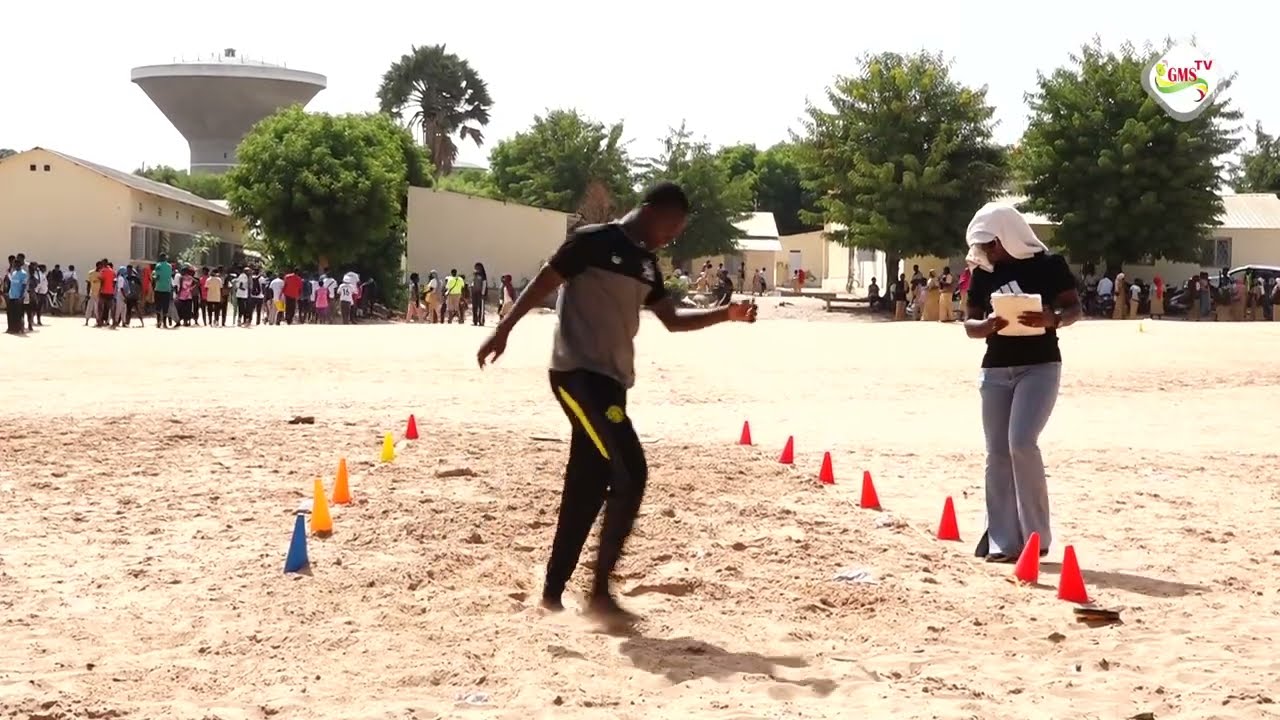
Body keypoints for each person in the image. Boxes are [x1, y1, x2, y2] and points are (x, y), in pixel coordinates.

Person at [476, 182, 758, 630]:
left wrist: (726, 314)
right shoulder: (592, 241)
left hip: (612, 385)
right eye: (671, 225)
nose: (672, 236)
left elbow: (671, 321)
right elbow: (543, 283)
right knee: (632, 469)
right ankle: (600, 592)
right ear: (649, 211)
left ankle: (553, 593)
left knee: (588, 481)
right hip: (576, 376)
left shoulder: (647, 266)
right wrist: (503, 330)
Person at [962, 203, 1081, 564]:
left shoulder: (1050, 266)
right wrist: (985, 327)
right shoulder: (984, 272)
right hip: (995, 370)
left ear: (1009, 236)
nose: (988, 252)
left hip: (1039, 366)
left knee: (1021, 442)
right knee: (996, 452)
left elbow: (1075, 309)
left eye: (992, 244)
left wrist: (1052, 319)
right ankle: (1003, 542)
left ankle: (1036, 538)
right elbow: (968, 322)